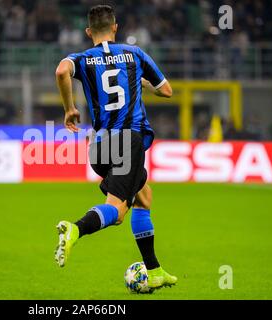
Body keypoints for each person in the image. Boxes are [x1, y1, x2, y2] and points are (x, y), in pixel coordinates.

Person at [54, 5, 177, 289]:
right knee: (117, 212)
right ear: (116, 27)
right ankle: (75, 229)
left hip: (99, 148)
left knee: (144, 197)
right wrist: (143, 83)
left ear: (88, 32)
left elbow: (62, 71)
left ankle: (155, 270)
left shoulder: (83, 59)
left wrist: (70, 109)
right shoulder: (134, 54)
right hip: (128, 140)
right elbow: (167, 90)